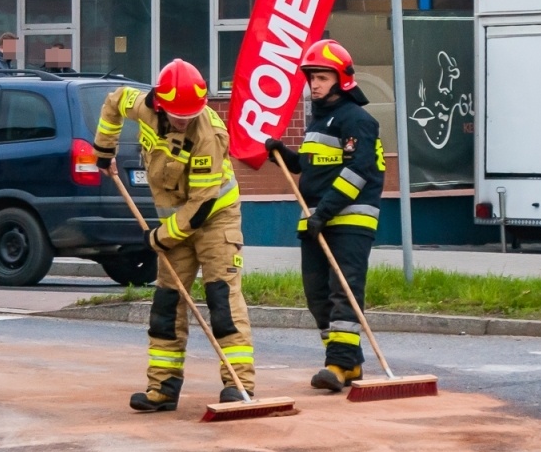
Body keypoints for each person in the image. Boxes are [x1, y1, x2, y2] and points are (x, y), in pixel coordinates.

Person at [92, 59, 256, 411]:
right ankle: (163, 387)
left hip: (215, 220)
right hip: (175, 224)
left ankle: (239, 385)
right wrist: (104, 150)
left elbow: (200, 206)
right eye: (178, 115)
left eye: (190, 114)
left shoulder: (209, 135)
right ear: (160, 103)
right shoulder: (144, 105)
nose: (184, 120)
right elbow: (114, 101)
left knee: (222, 299)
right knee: (167, 303)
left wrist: (159, 238)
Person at [265, 39, 384, 393]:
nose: (314, 84)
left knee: (343, 291)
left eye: (322, 77)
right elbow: (311, 168)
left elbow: (357, 172)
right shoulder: (320, 120)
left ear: (341, 80)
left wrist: (326, 212)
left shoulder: (358, 120)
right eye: (311, 77)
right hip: (316, 219)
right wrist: (283, 155)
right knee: (317, 295)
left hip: (350, 220)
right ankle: (349, 362)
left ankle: (338, 365)